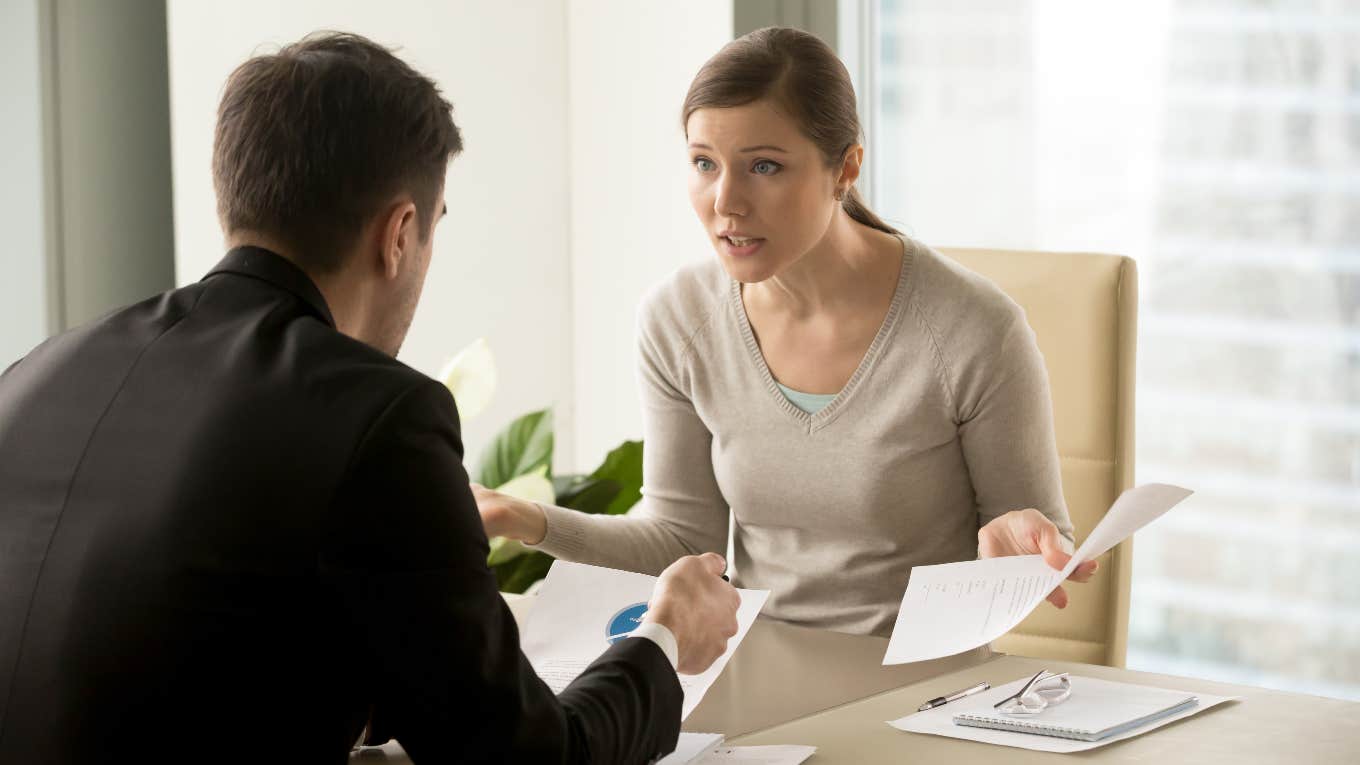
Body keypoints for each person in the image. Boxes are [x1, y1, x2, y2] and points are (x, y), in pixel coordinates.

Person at [0, 32, 739, 764]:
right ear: (399, 234)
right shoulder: (377, 415)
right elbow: (527, 755)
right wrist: (662, 638)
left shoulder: (37, 372)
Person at [476, 27, 1097, 638]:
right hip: (754, 673)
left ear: (846, 167)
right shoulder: (678, 320)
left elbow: (1038, 541)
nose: (726, 203)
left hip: (920, 688)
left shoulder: (972, 329)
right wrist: (522, 519)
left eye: (764, 166)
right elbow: (681, 540)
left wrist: (1012, 561)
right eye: (703, 164)